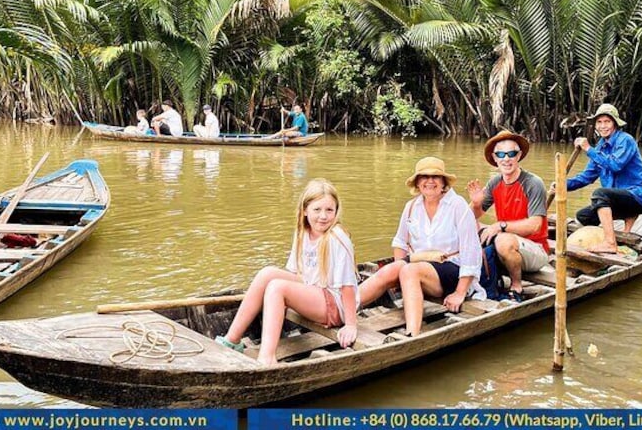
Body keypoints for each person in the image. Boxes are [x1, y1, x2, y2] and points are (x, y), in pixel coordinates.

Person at [215, 179, 359, 365]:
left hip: (335, 304)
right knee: (267, 274)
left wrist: (350, 325)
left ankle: (267, 359)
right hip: (313, 290)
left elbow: (347, 286)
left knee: (277, 288)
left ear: (336, 211)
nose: (323, 216)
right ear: (305, 210)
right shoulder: (303, 232)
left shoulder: (337, 237)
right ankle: (232, 340)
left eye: (329, 210)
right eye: (317, 210)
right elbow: (297, 273)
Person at [358, 157, 484, 336]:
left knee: (410, 271)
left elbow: (472, 251)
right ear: (418, 182)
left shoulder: (458, 205)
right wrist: (398, 273)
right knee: (390, 270)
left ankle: (412, 333)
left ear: (443, 182)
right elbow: (400, 242)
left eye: (435, 177)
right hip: (421, 266)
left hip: (453, 270)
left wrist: (459, 292)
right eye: (424, 177)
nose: (430, 181)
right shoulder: (412, 207)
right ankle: (341, 310)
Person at [467, 131, 549, 303]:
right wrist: (475, 204)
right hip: (506, 243)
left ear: (518, 156)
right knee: (470, 225)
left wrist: (500, 226)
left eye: (511, 154)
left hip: (535, 249)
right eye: (501, 154)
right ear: (494, 158)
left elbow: (535, 225)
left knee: (503, 240)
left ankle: (516, 286)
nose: (506, 159)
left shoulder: (533, 183)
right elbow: (472, 216)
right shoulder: (495, 182)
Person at [564, 103, 642, 254]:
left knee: (600, 194)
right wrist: (563, 184)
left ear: (615, 124)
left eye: (607, 122)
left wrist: (588, 149)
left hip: (638, 198)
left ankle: (610, 243)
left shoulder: (625, 140)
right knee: (583, 216)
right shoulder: (599, 148)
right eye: (599, 122)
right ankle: (619, 232)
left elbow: (615, 165)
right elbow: (586, 177)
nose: (603, 126)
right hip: (618, 201)